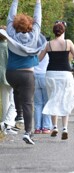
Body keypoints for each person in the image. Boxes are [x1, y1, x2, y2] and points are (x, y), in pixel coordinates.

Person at [0, 0, 47, 145]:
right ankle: (28, 132)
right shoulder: (34, 35)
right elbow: (38, 18)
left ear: (14, 25)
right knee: (28, 102)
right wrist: (38, 3)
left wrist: (15, 1)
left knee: (16, 92)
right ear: (30, 25)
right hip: (27, 75)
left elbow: (10, 17)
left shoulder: (11, 33)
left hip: (11, 74)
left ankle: (18, 116)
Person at [38, 21, 74, 140]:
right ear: (64, 31)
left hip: (51, 73)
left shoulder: (48, 44)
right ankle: (65, 128)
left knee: (53, 99)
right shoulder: (68, 43)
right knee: (65, 99)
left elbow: (39, 59)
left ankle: (55, 127)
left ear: (53, 32)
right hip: (65, 74)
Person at [0, 25, 17, 135]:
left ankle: (8, 124)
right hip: (7, 75)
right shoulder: (7, 46)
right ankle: (5, 124)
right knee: (9, 101)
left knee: (6, 100)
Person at [34, 52, 52, 134]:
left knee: (37, 104)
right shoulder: (47, 52)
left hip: (34, 76)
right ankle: (46, 127)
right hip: (45, 75)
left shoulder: (33, 50)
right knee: (47, 103)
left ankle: (37, 128)